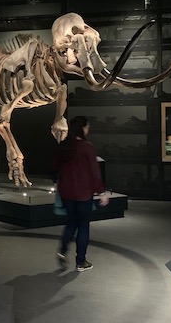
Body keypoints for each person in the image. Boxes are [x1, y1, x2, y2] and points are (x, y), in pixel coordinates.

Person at [53, 116, 109, 272]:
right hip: (83, 193)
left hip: (66, 192)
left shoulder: (64, 147)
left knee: (71, 222)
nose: (88, 129)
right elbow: (94, 172)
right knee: (83, 226)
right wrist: (101, 192)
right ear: (82, 128)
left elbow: (54, 166)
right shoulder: (87, 147)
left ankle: (63, 249)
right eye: (87, 127)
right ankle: (81, 261)